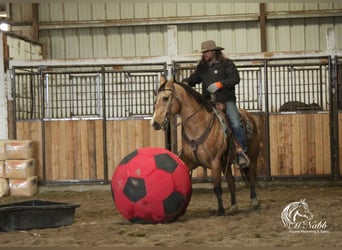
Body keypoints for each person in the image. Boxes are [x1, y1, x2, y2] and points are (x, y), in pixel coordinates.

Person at [182, 40, 249, 167]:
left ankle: (241, 151)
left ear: (214, 51)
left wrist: (220, 84)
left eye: (207, 51)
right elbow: (194, 79)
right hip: (208, 102)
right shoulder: (202, 67)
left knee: (235, 122)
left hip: (226, 100)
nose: (205, 54)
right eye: (203, 52)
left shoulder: (227, 64)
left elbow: (235, 79)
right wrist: (185, 82)